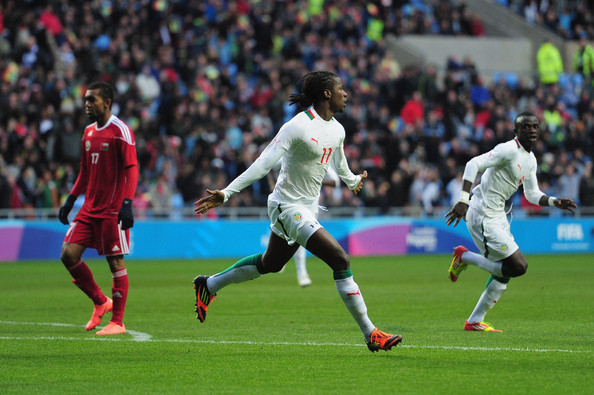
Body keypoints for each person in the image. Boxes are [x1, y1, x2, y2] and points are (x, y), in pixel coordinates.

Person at [193, 71, 402, 352]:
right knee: (340, 259)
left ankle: (209, 284)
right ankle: (371, 333)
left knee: (271, 264)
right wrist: (227, 192)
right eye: (341, 89)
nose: (346, 94)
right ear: (327, 94)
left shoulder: (337, 129)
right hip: (286, 207)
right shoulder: (297, 126)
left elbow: (338, 162)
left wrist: (352, 180)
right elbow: (264, 163)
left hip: (307, 208)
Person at [445, 111, 577, 332]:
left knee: (507, 270)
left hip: (498, 216)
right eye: (526, 127)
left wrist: (555, 201)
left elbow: (532, 194)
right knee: (518, 266)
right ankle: (464, 257)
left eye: (535, 126)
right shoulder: (507, 150)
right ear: (516, 131)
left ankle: (474, 321)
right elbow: (472, 164)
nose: (532, 130)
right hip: (483, 215)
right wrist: (463, 201)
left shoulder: (530, 159)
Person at [58, 82, 138, 335]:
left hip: (112, 210)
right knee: (68, 255)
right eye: (86, 100)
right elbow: (84, 170)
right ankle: (101, 301)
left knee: (115, 262)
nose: (87, 104)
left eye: (92, 100)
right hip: (89, 209)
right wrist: (70, 199)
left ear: (107, 102)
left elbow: (132, 168)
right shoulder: (89, 132)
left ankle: (118, 322)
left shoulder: (120, 131)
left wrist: (127, 202)